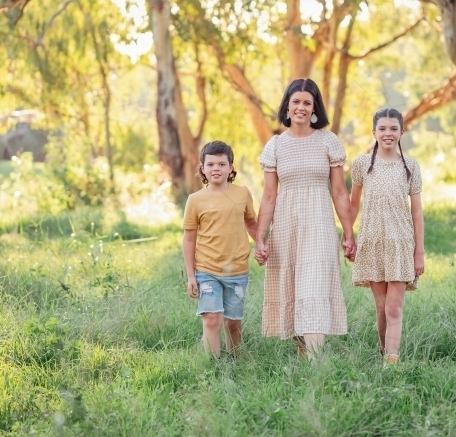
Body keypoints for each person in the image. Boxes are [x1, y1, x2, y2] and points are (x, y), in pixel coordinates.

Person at [254, 78, 356, 359]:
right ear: (287, 106)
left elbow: (338, 191)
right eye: (296, 101)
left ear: (314, 109)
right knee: (293, 286)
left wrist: (348, 233)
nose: (301, 107)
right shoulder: (275, 146)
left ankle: (314, 364)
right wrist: (260, 237)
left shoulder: (327, 141)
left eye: (307, 103)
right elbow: (269, 196)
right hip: (286, 226)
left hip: (320, 224)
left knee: (314, 285)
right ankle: (303, 356)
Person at [349, 108, 424, 364]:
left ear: (402, 132)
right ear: (374, 132)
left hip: (401, 243)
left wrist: (419, 252)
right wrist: (349, 235)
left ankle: (392, 359)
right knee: (381, 309)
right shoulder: (361, 164)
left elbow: (417, 213)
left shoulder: (410, 166)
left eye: (393, 128)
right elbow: (353, 204)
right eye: (382, 128)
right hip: (372, 242)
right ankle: (383, 351)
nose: (388, 133)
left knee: (393, 307)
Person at [182, 140, 258, 358]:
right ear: (203, 168)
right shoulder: (195, 200)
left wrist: (263, 244)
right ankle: (212, 366)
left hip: (237, 270)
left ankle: (235, 360)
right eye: (211, 164)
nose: (216, 168)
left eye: (222, 164)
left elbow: (251, 223)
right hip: (207, 270)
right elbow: (188, 239)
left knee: (233, 323)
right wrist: (190, 276)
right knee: (211, 319)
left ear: (231, 168)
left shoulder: (242, 193)